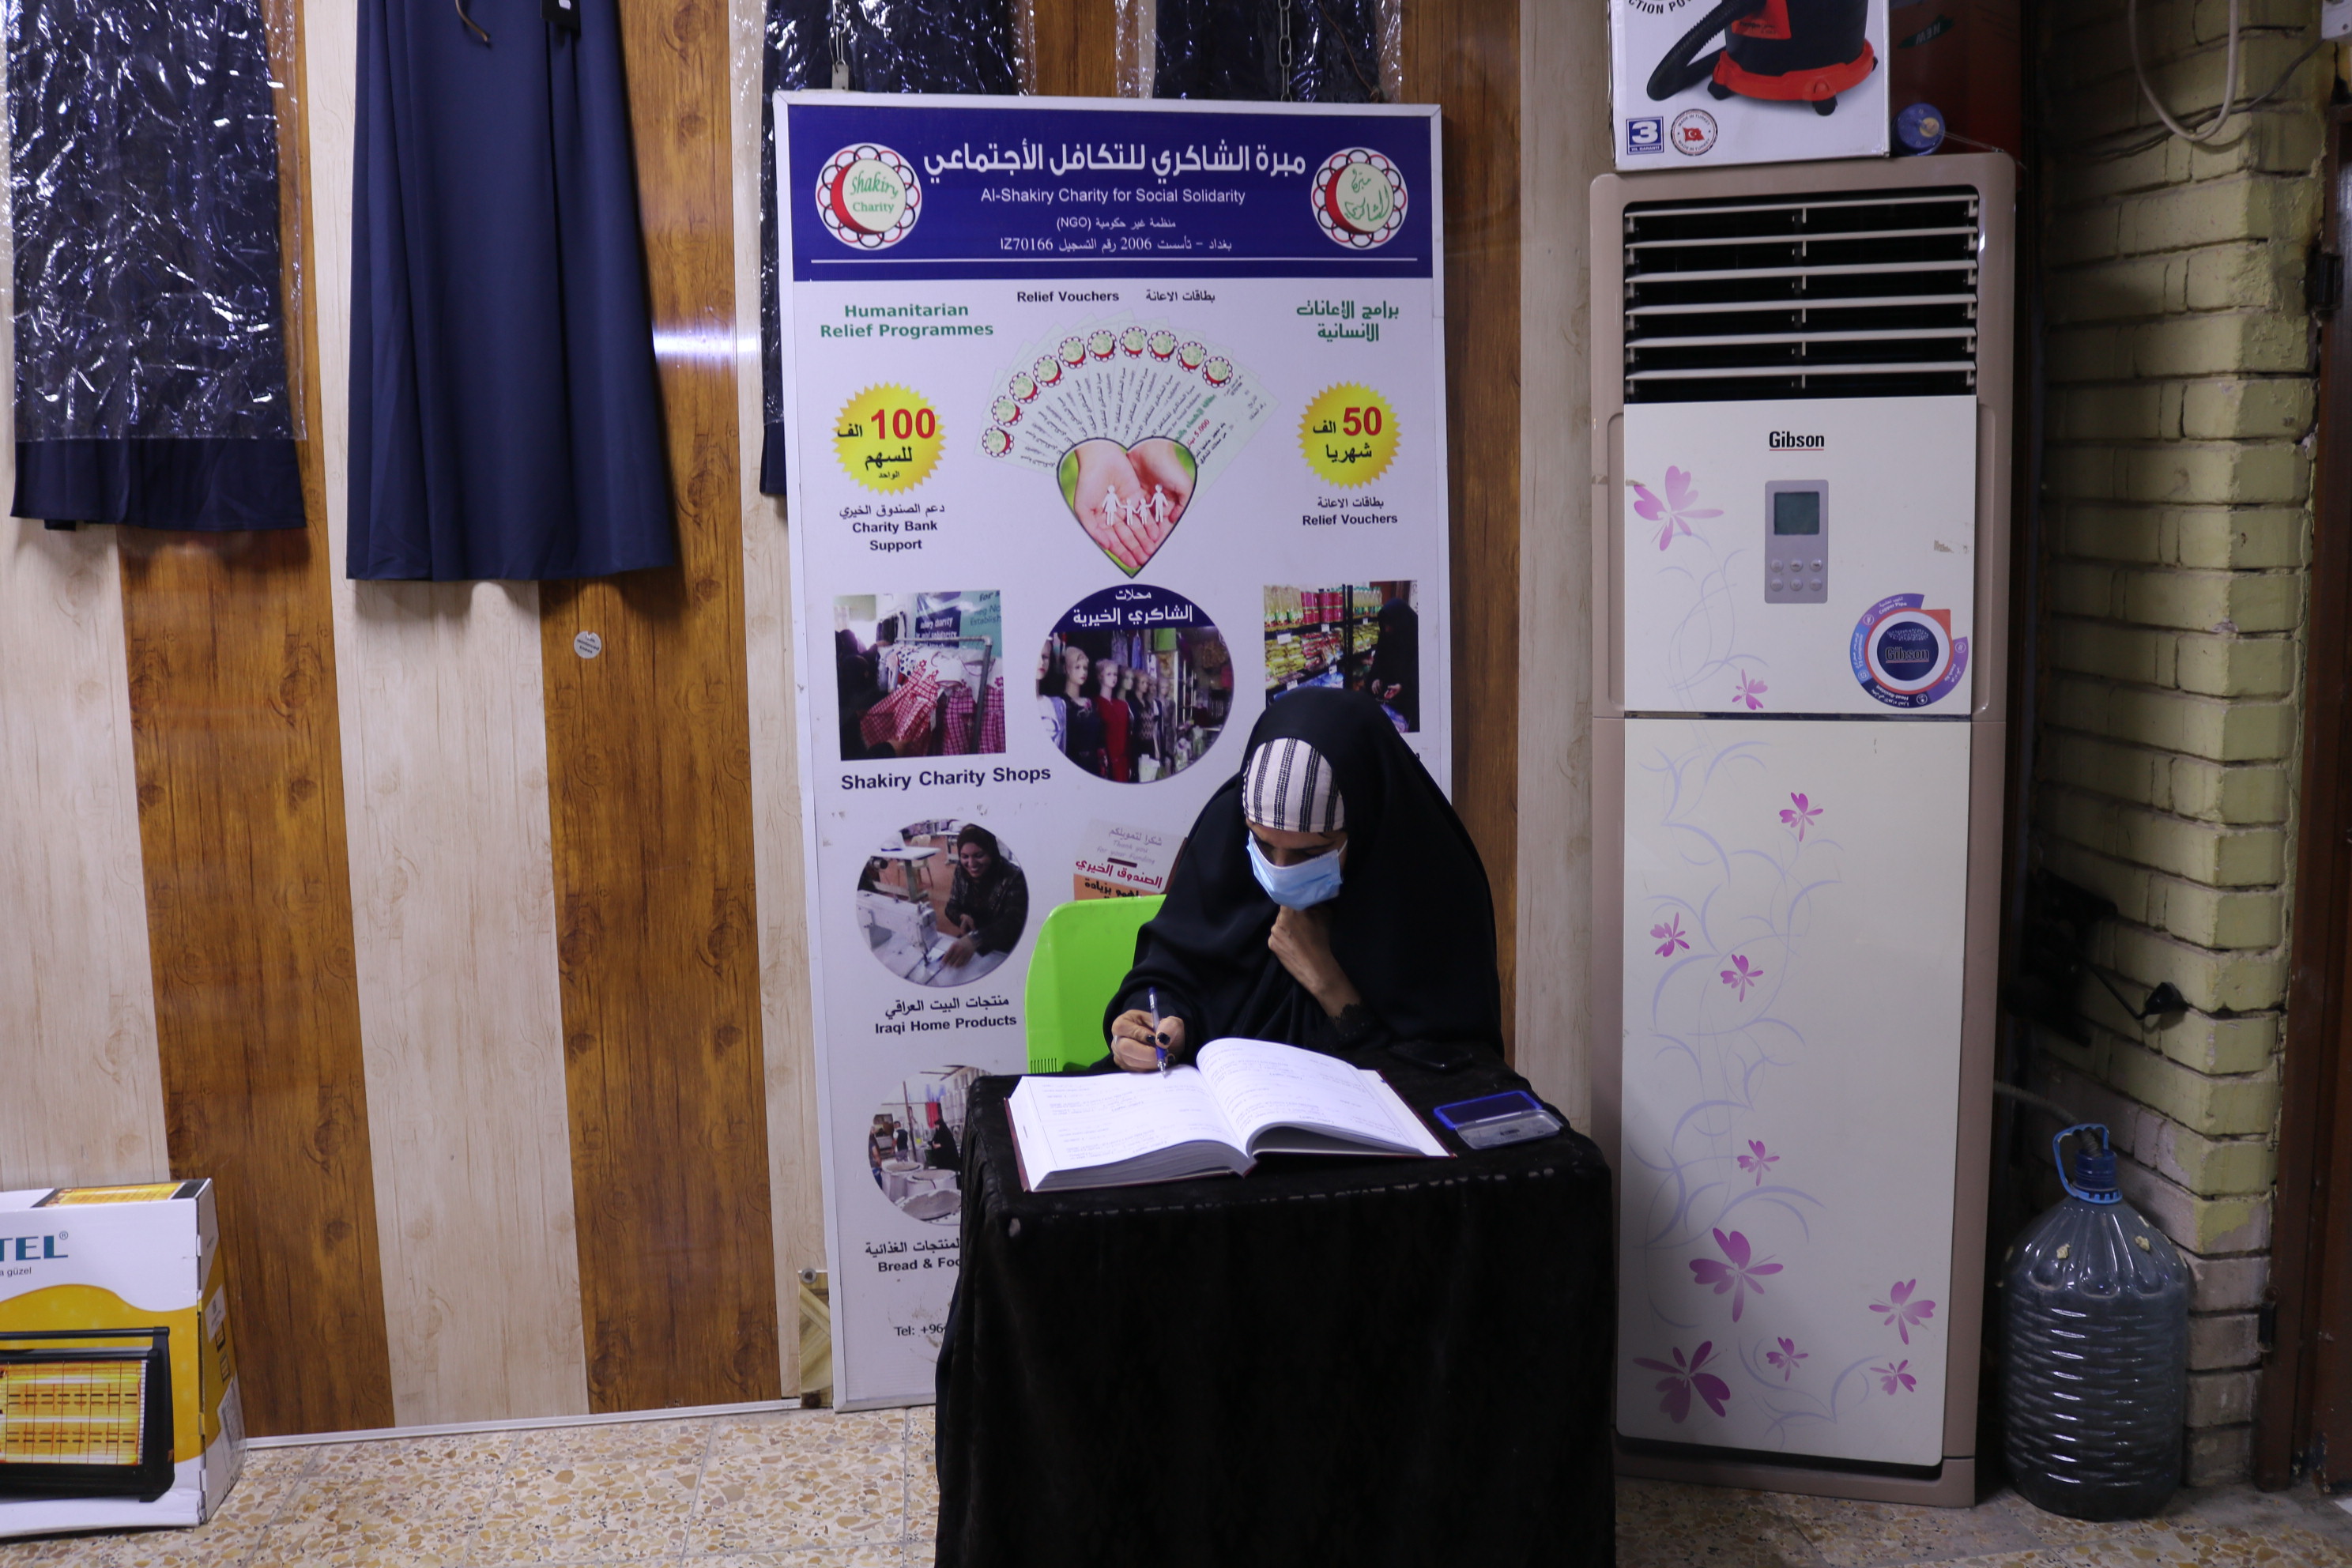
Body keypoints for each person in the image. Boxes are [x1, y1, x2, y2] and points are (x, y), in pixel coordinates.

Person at [1103, 688, 1499, 1067]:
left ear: (1364, 827)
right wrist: (1157, 1022)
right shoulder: (1226, 833)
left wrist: (1331, 986)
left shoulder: (1430, 888)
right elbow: (1173, 968)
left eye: (1310, 853)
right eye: (1262, 843)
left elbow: (1454, 1075)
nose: (1280, 869)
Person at [940, 824, 1030, 968]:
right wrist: (961, 917)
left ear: (992, 852)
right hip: (972, 946)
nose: (971, 864)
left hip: (1004, 950)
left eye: (979, 855)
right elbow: (951, 906)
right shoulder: (962, 871)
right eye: (965, 857)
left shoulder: (1013, 876)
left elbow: (1013, 922)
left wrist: (976, 939)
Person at [1367, 596, 1419, 732]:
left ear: (1400, 623)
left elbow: (1418, 673)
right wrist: (1376, 678)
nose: (1387, 629)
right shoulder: (1386, 635)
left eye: (1390, 625)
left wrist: (1403, 686)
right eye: (1384, 625)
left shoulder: (1417, 636)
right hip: (1386, 696)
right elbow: (1379, 661)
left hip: (1407, 699)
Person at [1058, 645, 1107, 776]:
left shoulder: (1092, 704)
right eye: (1078, 667)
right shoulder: (1061, 704)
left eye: (1085, 668)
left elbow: (1099, 742)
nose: (1083, 672)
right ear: (1067, 669)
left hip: (1093, 768)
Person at [1095, 658, 1133, 782]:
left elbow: (1127, 737)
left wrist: (1129, 763)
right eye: (1109, 674)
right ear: (1100, 676)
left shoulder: (1122, 706)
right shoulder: (1095, 704)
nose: (1113, 678)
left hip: (1123, 763)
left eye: (1115, 674)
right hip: (1106, 765)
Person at [1035, 643, 1067, 754]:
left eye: (1045, 657)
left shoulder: (1058, 705)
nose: (1041, 662)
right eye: (1036, 657)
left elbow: (1062, 749)